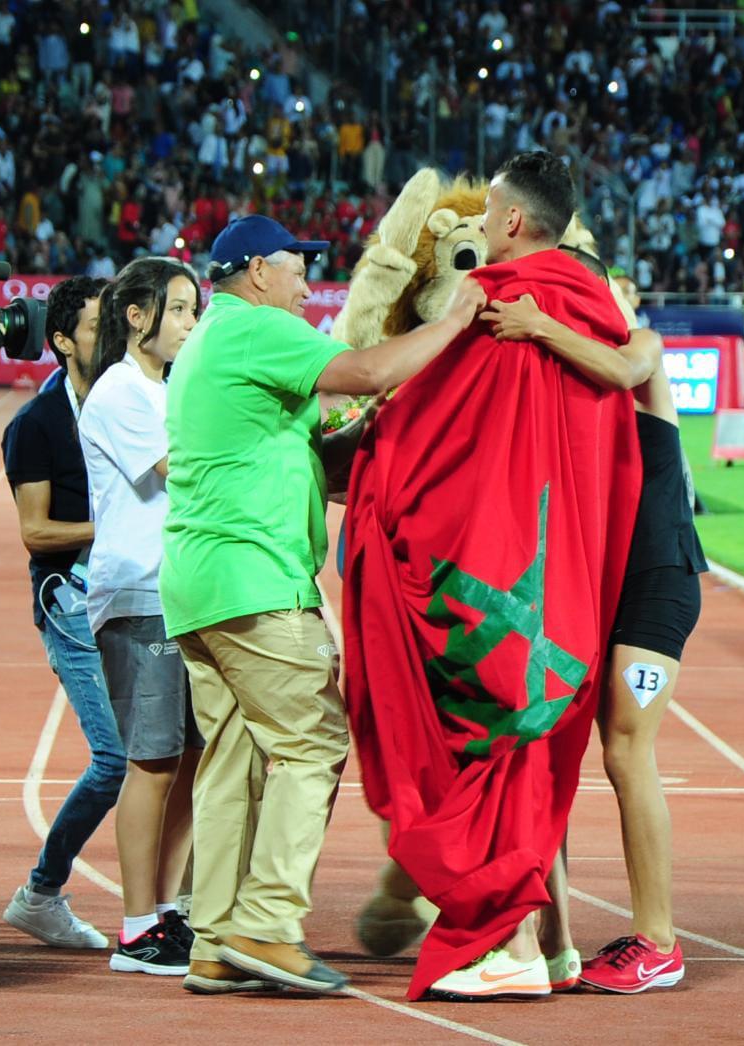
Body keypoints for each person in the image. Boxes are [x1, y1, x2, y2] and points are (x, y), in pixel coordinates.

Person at [339, 153, 642, 1002]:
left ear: (511, 222)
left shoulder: (503, 310)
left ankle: (502, 947)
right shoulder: (595, 310)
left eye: (483, 221)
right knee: (537, 759)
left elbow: (422, 432)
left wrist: (376, 487)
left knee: (492, 756)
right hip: (571, 589)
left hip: (499, 580)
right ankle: (556, 944)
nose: (474, 236)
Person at [161, 214, 483, 996]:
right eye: (297, 265)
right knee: (312, 744)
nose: (309, 280)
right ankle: (267, 924)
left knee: (233, 762)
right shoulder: (254, 331)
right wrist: (459, 319)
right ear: (256, 272)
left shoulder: (214, 340)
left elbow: (323, 455)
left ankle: (212, 937)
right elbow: (368, 371)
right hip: (255, 582)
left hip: (199, 584)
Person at [483, 251, 706, 994]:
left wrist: (538, 324)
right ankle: (548, 930)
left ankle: (660, 942)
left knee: (624, 746)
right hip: (598, 590)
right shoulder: (562, 375)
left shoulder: (639, 346)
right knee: (559, 744)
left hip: (657, 583)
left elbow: (621, 370)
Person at [78, 257, 204, 976]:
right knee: (152, 763)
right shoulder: (121, 391)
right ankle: (134, 927)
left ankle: (166, 913)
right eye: (180, 310)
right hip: (139, 594)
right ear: (137, 316)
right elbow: (178, 472)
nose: (191, 324)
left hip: (182, 594)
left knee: (188, 762)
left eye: (193, 310)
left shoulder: (166, 387)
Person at [0, 275, 126, 949]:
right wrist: (112, 527)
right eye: (96, 328)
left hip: (132, 599)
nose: (111, 339)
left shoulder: (128, 401)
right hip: (70, 604)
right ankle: (41, 893)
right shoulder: (37, 425)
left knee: (176, 748)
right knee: (117, 759)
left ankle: (177, 902)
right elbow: (35, 532)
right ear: (60, 341)